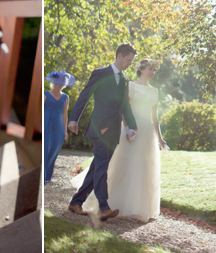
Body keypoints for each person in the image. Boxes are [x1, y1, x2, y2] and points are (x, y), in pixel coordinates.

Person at [71, 58, 168, 222]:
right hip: (123, 130)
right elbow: (123, 107)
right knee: (107, 164)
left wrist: (159, 137)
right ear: (142, 69)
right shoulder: (128, 84)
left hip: (144, 132)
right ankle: (103, 206)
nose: (152, 72)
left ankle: (78, 202)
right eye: (150, 68)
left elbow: (153, 116)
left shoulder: (149, 89)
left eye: (154, 69)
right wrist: (128, 128)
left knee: (101, 165)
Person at [67, 43, 138, 222]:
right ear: (120, 56)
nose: (130, 63)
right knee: (102, 166)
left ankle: (76, 202)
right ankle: (104, 207)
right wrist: (74, 119)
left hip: (114, 131)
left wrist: (132, 126)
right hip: (100, 127)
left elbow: (125, 106)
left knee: (97, 167)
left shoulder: (124, 80)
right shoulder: (100, 73)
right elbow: (85, 95)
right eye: (129, 60)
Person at [44, 70, 75, 184]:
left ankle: (47, 175)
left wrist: (65, 131)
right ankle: (42, 177)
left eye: (62, 84)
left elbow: (64, 114)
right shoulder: (46, 94)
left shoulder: (65, 97)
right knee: (45, 148)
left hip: (58, 126)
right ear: (53, 83)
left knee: (54, 150)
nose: (59, 86)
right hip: (46, 123)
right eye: (57, 84)